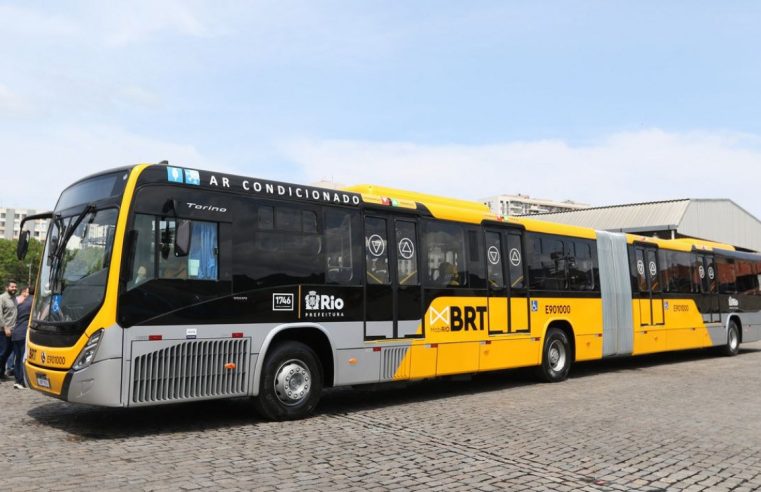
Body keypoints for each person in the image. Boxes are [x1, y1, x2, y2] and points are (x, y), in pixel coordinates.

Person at [11, 286, 33, 389]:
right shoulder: (33, 302)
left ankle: (17, 380)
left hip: (16, 333)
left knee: (17, 358)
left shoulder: (20, 304)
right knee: (22, 359)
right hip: (23, 333)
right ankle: (21, 381)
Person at [0, 280, 18, 381]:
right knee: (2, 353)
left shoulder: (14, 298)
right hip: (3, 331)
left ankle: (2, 373)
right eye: (12, 287)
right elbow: (0, 315)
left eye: (15, 287)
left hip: (13, 330)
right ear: (7, 288)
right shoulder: (2, 298)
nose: (14, 288)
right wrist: (5, 327)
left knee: (7, 352)